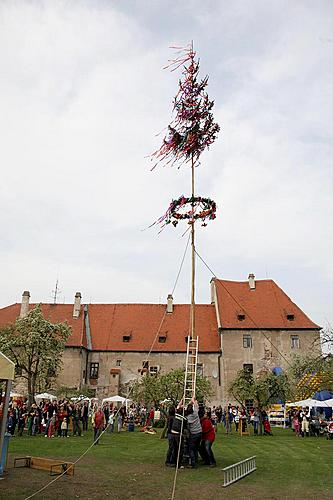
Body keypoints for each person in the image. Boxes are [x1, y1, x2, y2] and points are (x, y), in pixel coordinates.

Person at [186, 397, 202, 469]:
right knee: (196, 448)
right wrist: (193, 400)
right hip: (199, 432)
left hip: (194, 434)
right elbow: (196, 406)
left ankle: (193, 463)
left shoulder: (188, 418)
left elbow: (188, 427)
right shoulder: (195, 413)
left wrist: (190, 402)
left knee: (191, 449)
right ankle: (195, 460)